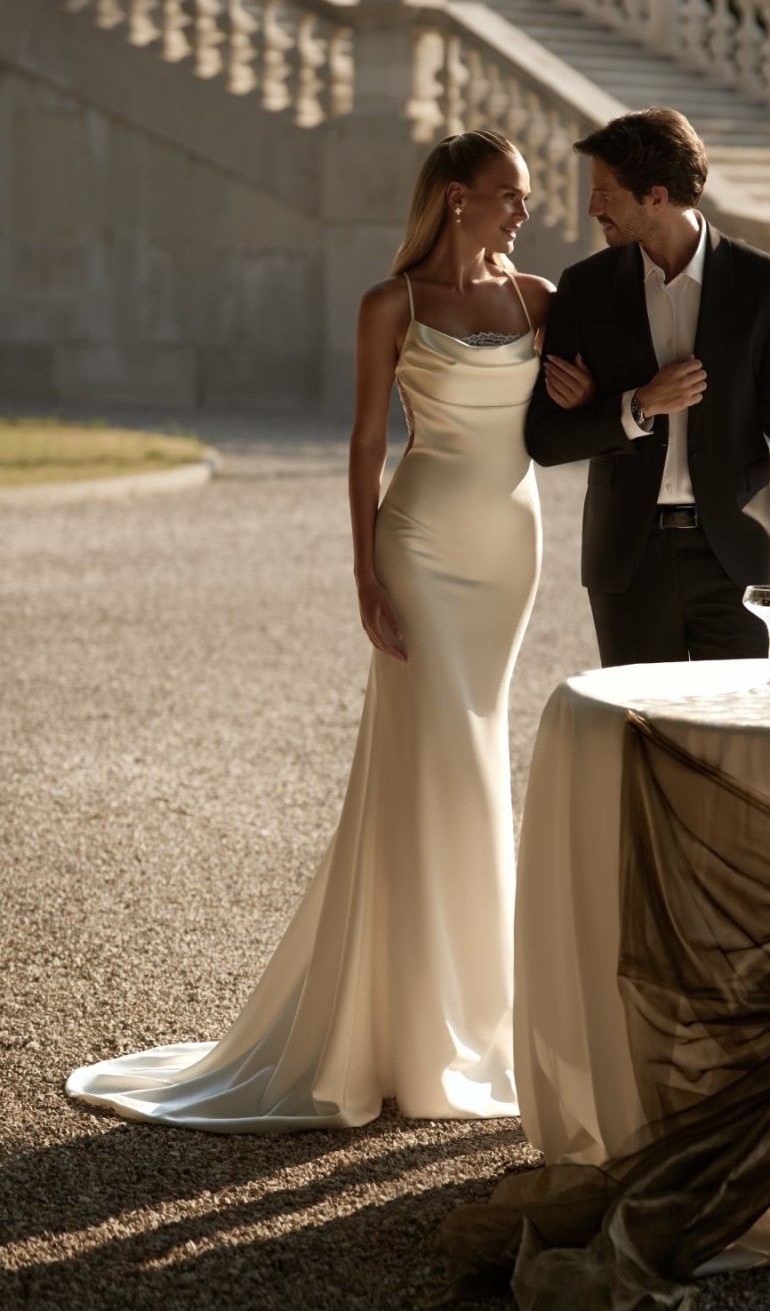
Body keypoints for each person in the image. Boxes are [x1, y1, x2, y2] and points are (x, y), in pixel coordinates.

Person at [66, 130, 590, 1130]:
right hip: (421, 544)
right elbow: (362, 442)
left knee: (477, 752)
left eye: (523, 197)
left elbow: (579, 411)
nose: (524, 211)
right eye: (508, 194)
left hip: (509, 550)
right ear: (455, 198)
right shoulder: (390, 304)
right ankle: (422, 1031)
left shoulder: (539, 299)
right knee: (441, 758)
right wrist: (362, 572)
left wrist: (587, 392)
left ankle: (469, 1020)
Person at [525, 107, 770, 668]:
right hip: (628, 560)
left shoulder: (763, 282)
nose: (592, 208)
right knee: (642, 721)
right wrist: (637, 405)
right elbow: (545, 439)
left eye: (605, 195)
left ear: (657, 197)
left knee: (743, 719)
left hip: (736, 562)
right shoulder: (585, 288)